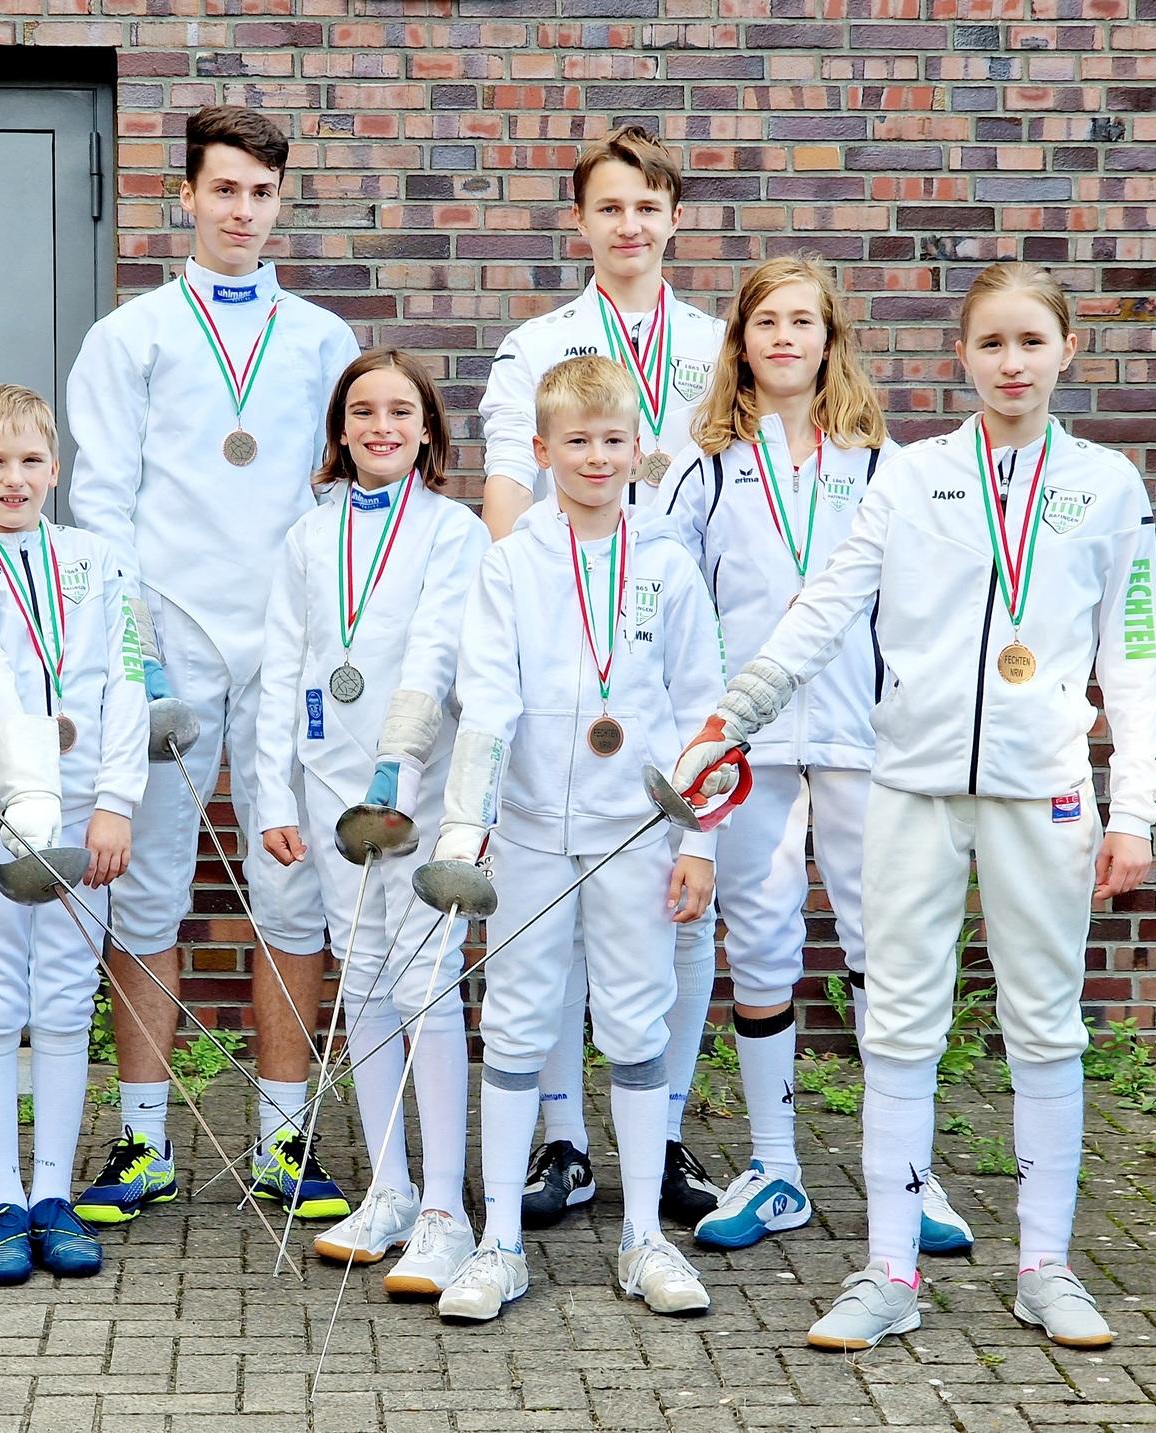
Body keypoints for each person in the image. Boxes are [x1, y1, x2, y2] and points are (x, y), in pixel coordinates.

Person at [672, 262, 1156, 1351]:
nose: (1011, 363)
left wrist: (1132, 806)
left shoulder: (1108, 484)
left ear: (1066, 349)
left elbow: (1133, 654)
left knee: (1045, 1025)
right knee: (897, 1028)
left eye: (1030, 341)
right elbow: (826, 604)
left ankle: (1045, 1267)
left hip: (1044, 793)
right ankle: (888, 1272)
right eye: (991, 343)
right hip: (910, 786)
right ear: (962, 356)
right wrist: (732, 715)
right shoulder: (913, 475)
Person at [66, 105, 362, 1226]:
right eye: (224, 189)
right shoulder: (130, 335)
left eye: (262, 193)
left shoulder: (323, 338)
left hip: (286, 643)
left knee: (292, 886)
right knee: (146, 886)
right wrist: (131, 653)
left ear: (282, 202)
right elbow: (102, 505)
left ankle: (286, 1138)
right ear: (184, 196)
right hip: (170, 640)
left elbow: (340, 493)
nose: (243, 211)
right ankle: (142, 1142)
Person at [657, 255, 972, 1258]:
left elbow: (931, 607)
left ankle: (908, 1170)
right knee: (760, 945)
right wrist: (697, 738)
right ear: (740, 341)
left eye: (803, 320)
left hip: (861, 736)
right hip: (746, 747)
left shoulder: (886, 467)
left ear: (831, 338)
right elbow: (669, 611)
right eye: (766, 322)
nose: (784, 337)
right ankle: (776, 1167)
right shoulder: (704, 466)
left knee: (885, 944)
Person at [429, 356, 723, 1325]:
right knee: (518, 1019)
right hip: (529, 832)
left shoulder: (667, 564)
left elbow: (700, 707)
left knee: (636, 1020)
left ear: (638, 449)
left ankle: (642, 1235)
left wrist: (698, 843)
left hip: (637, 832)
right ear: (541, 450)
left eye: (612, 440)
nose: (596, 457)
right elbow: (486, 699)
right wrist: (467, 827)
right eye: (576, 441)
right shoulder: (510, 564)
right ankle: (499, 1242)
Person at [478, 126, 728, 1227]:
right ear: (578, 221)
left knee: (673, 924)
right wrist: (538, 618)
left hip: (676, 638)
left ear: (675, 218)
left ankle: (658, 1135)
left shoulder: (717, 344)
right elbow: (506, 490)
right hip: (568, 645)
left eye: (648, 205)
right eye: (610, 206)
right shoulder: (538, 342)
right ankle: (563, 1140)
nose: (630, 224)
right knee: (553, 933)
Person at [255, 350, 489, 1293]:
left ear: (427, 428)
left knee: (424, 977)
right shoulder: (307, 537)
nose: (380, 426)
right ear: (339, 429)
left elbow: (435, 650)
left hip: (415, 786)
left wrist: (399, 763)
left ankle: (443, 1209)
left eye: (399, 411)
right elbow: (283, 668)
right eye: (362, 411)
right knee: (361, 978)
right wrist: (273, 795)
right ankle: (387, 1187)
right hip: (327, 785)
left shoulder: (453, 530)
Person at [0, 384, 148, 1286]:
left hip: (84, 814)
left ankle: (53, 1193)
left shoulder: (102, 561)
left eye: (28, 461)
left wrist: (115, 802)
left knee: (61, 999)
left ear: (55, 469)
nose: (11, 479)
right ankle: (3, 1202)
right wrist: (33, 820)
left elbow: (127, 681)